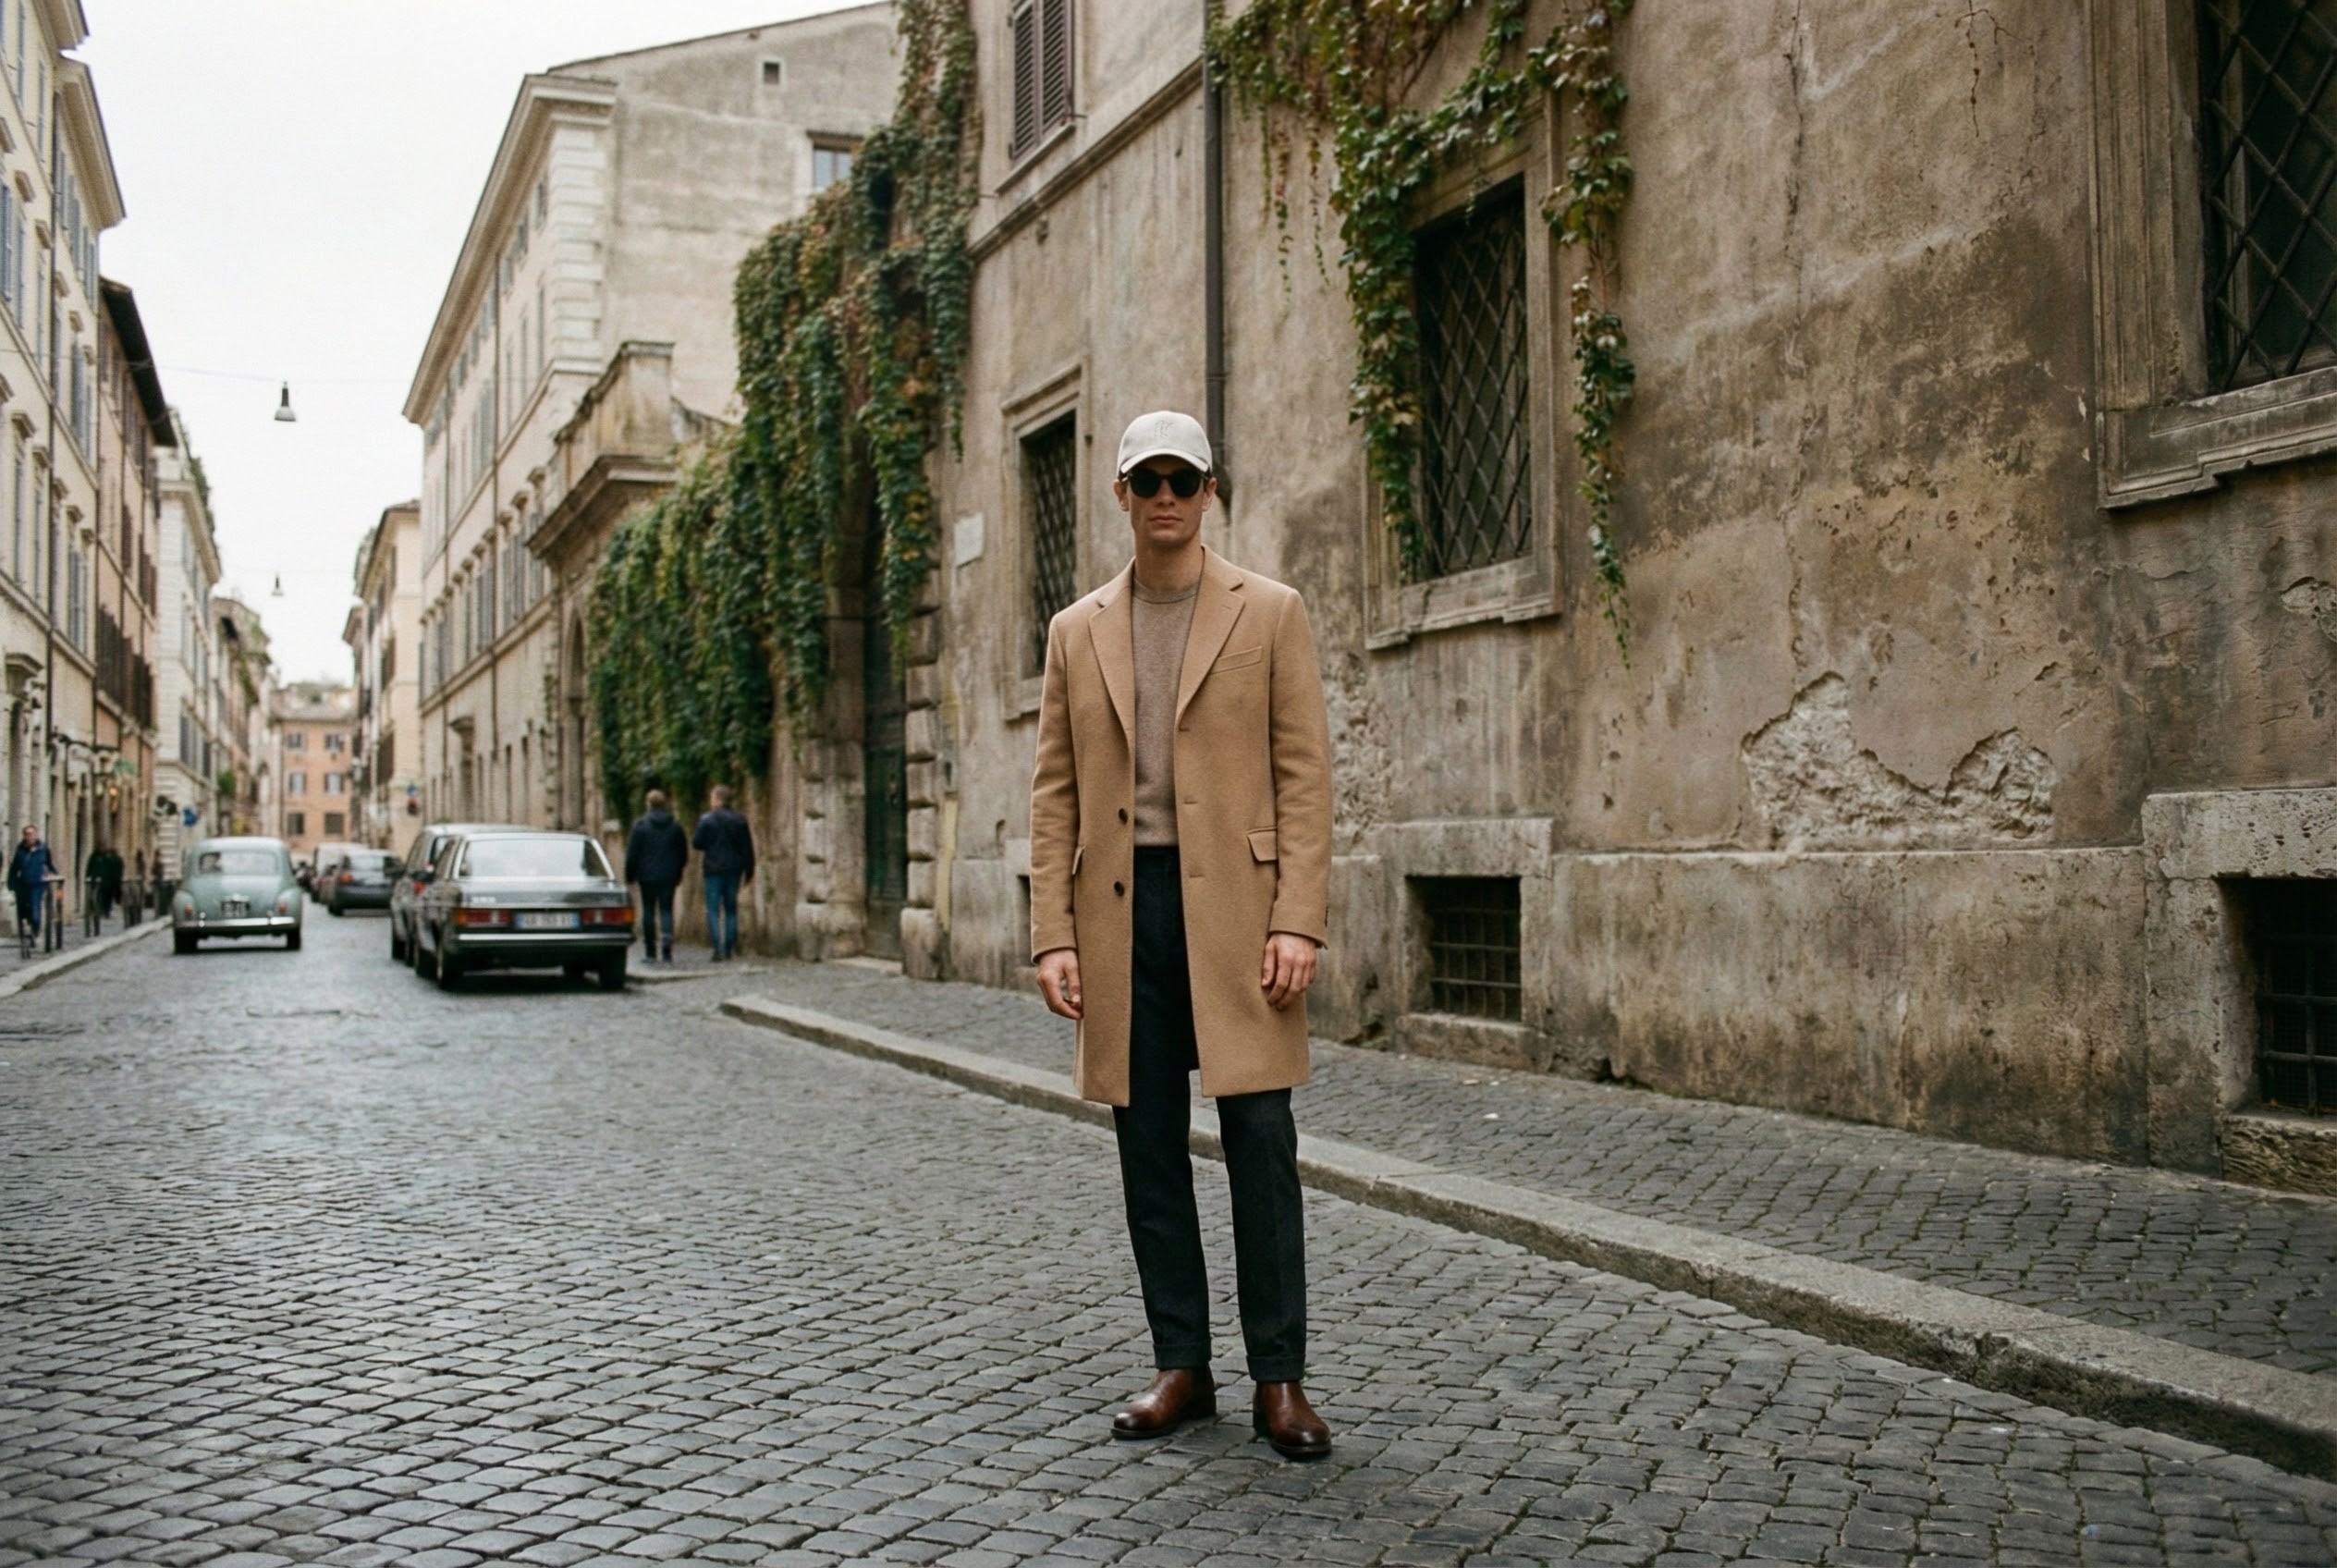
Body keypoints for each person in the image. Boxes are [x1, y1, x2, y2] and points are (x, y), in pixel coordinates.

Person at [1028, 410, 1336, 1460]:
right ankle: (1181, 1365)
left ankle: (1279, 1381)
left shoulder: (1271, 611)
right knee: (1147, 1146)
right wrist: (1050, 935)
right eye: (1146, 479)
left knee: (1261, 1141)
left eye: (1184, 479)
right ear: (1119, 493)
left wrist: (1298, 915)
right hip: (1120, 917)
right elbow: (1054, 797)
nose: (1165, 497)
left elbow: (1303, 779)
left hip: (1241, 917)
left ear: (1210, 490)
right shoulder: (1076, 630)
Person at [624, 789, 689, 964]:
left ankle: (651, 951)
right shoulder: (674, 826)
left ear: (648, 803)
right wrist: (678, 870)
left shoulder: (640, 826)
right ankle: (667, 950)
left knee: (648, 911)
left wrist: (629, 876)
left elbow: (632, 854)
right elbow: (683, 853)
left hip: (647, 876)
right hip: (668, 875)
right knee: (667, 910)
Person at [691, 784, 755, 962]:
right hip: (734, 869)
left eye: (712, 798)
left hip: (713, 869)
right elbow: (747, 848)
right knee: (731, 909)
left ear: (718, 800)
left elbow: (697, 843)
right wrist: (749, 870)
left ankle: (717, 947)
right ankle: (728, 948)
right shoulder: (740, 820)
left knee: (712, 909)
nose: (710, 802)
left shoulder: (707, 820)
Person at [9, 825, 55, 943]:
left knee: (35, 909)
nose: (29, 837)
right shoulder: (20, 849)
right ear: (24, 836)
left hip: (37, 884)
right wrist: (11, 883)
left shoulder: (43, 849)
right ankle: (28, 928)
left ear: (36, 835)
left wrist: (55, 875)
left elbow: (49, 864)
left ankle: (35, 930)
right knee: (23, 909)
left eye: (32, 834)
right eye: (27, 834)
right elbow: (14, 867)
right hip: (23, 884)